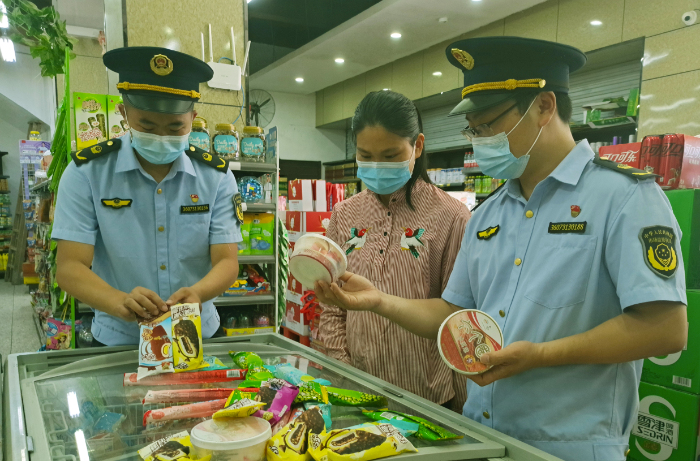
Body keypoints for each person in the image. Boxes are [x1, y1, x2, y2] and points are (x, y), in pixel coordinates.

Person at [314, 37, 688, 461]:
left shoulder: (623, 197)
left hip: (571, 447)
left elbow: (665, 328)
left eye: (487, 124)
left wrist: (541, 355)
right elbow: (453, 313)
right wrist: (378, 301)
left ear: (544, 106)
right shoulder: (490, 214)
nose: (479, 139)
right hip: (484, 438)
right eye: (472, 129)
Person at [53, 47, 242, 346]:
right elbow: (69, 267)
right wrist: (119, 301)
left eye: (175, 126)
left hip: (197, 336)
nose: (161, 136)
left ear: (193, 117)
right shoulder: (86, 173)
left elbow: (227, 262)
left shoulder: (216, 177)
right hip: (120, 339)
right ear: (124, 113)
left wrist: (198, 294)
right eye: (147, 126)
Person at [319, 90, 471, 410]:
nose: (377, 166)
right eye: (365, 155)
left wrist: (461, 406)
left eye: (390, 156)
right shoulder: (345, 214)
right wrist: (342, 374)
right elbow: (332, 306)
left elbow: (457, 315)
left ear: (417, 145)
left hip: (427, 396)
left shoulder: (451, 217)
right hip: (357, 388)